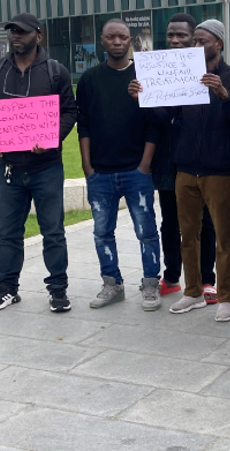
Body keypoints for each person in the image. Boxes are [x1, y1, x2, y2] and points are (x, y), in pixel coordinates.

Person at [129, 19, 230, 322]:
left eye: (202, 40)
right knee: (187, 235)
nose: (195, 46)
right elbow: (166, 113)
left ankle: (226, 297)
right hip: (184, 168)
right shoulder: (186, 76)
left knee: (224, 237)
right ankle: (193, 291)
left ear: (218, 44)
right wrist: (142, 98)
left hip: (217, 169)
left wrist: (223, 93)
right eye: (194, 40)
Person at [0, 13, 77, 313]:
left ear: (38, 36)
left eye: (22, 31)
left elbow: (70, 111)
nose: (16, 36)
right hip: (10, 169)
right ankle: (7, 287)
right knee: (8, 232)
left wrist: (53, 135)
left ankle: (58, 288)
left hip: (47, 168)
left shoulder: (56, 72)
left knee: (53, 230)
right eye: (12, 31)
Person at [77, 19, 163, 312]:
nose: (117, 42)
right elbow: (84, 125)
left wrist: (145, 165)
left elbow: (154, 124)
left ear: (131, 41)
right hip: (100, 171)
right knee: (102, 231)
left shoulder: (144, 75)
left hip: (136, 171)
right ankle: (111, 283)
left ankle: (151, 284)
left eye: (122, 37)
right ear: (101, 41)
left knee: (147, 230)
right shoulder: (89, 79)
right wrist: (88, 167)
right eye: (110, 37)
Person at [151, 13, 219, 303]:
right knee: (170, 220)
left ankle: (207, 279)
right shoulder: (158, 70)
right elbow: (161, 117)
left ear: (195, 39)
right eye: (171, 36)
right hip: (167, 158)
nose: (176, 41)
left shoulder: (207, 73)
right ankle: (171, 276)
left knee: (205, 221)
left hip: (198, 159)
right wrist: (144, 97)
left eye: (182, 36)